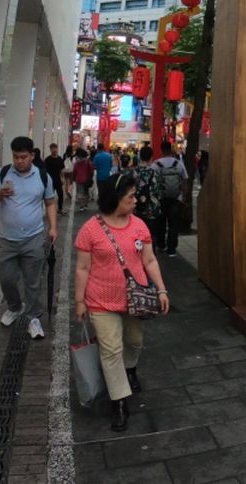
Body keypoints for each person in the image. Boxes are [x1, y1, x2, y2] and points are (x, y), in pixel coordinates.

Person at [74, 175, 169, 432]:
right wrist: (79, 300)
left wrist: (161, 289)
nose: (136, 200)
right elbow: (82, 268)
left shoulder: (139, 226)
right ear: (116, 200)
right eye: (131, 197)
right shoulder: (90, 230)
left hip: (134, 300)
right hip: (100, 301)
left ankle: (130, 369)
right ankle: (118, 401)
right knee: (111, 350)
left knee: (134, 341)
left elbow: (149, 261)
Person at [0, 136, 57, 340]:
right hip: (7, 240)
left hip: (34, 238)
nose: (19, 161)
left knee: (32, 281)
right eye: (16, 157)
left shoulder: (43, 176)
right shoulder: (3, 173)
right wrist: (1, 193)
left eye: (24, 157)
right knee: (7, 279)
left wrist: (53, 227)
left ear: (32, 156)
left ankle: (33, 317)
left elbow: (50, 202)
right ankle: (15, 306)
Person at [151, 141, 188, 257]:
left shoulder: (156, 164)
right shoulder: (178, 163)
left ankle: (161, 245)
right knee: (173, 224)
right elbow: (185, 179)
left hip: (161, 199)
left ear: (161, 150)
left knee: (160, 223)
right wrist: (183, 196)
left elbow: (152, 182)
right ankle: (171, 249)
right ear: (171, 149)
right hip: (175, 199)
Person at [132, 145, 162, 236]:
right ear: (151, 157)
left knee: (137, 235)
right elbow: (157, 192)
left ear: (139, 156)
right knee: (150, 235)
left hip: (136, 209)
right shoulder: (154, 173)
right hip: (151, 211)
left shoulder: (133, 172)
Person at [44, 143, 67, 217]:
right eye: (52, 148)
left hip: (58, 180)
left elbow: (62, 170)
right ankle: (50, 210)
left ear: (57, 149)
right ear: (50, 150)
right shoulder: (47, 159)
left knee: (61, 195)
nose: (54, 150)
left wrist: (62, 178)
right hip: (50, 181)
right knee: (50, 196)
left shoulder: (60, 159)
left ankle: (60, 209)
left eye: (55, 148)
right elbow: (45, 171)